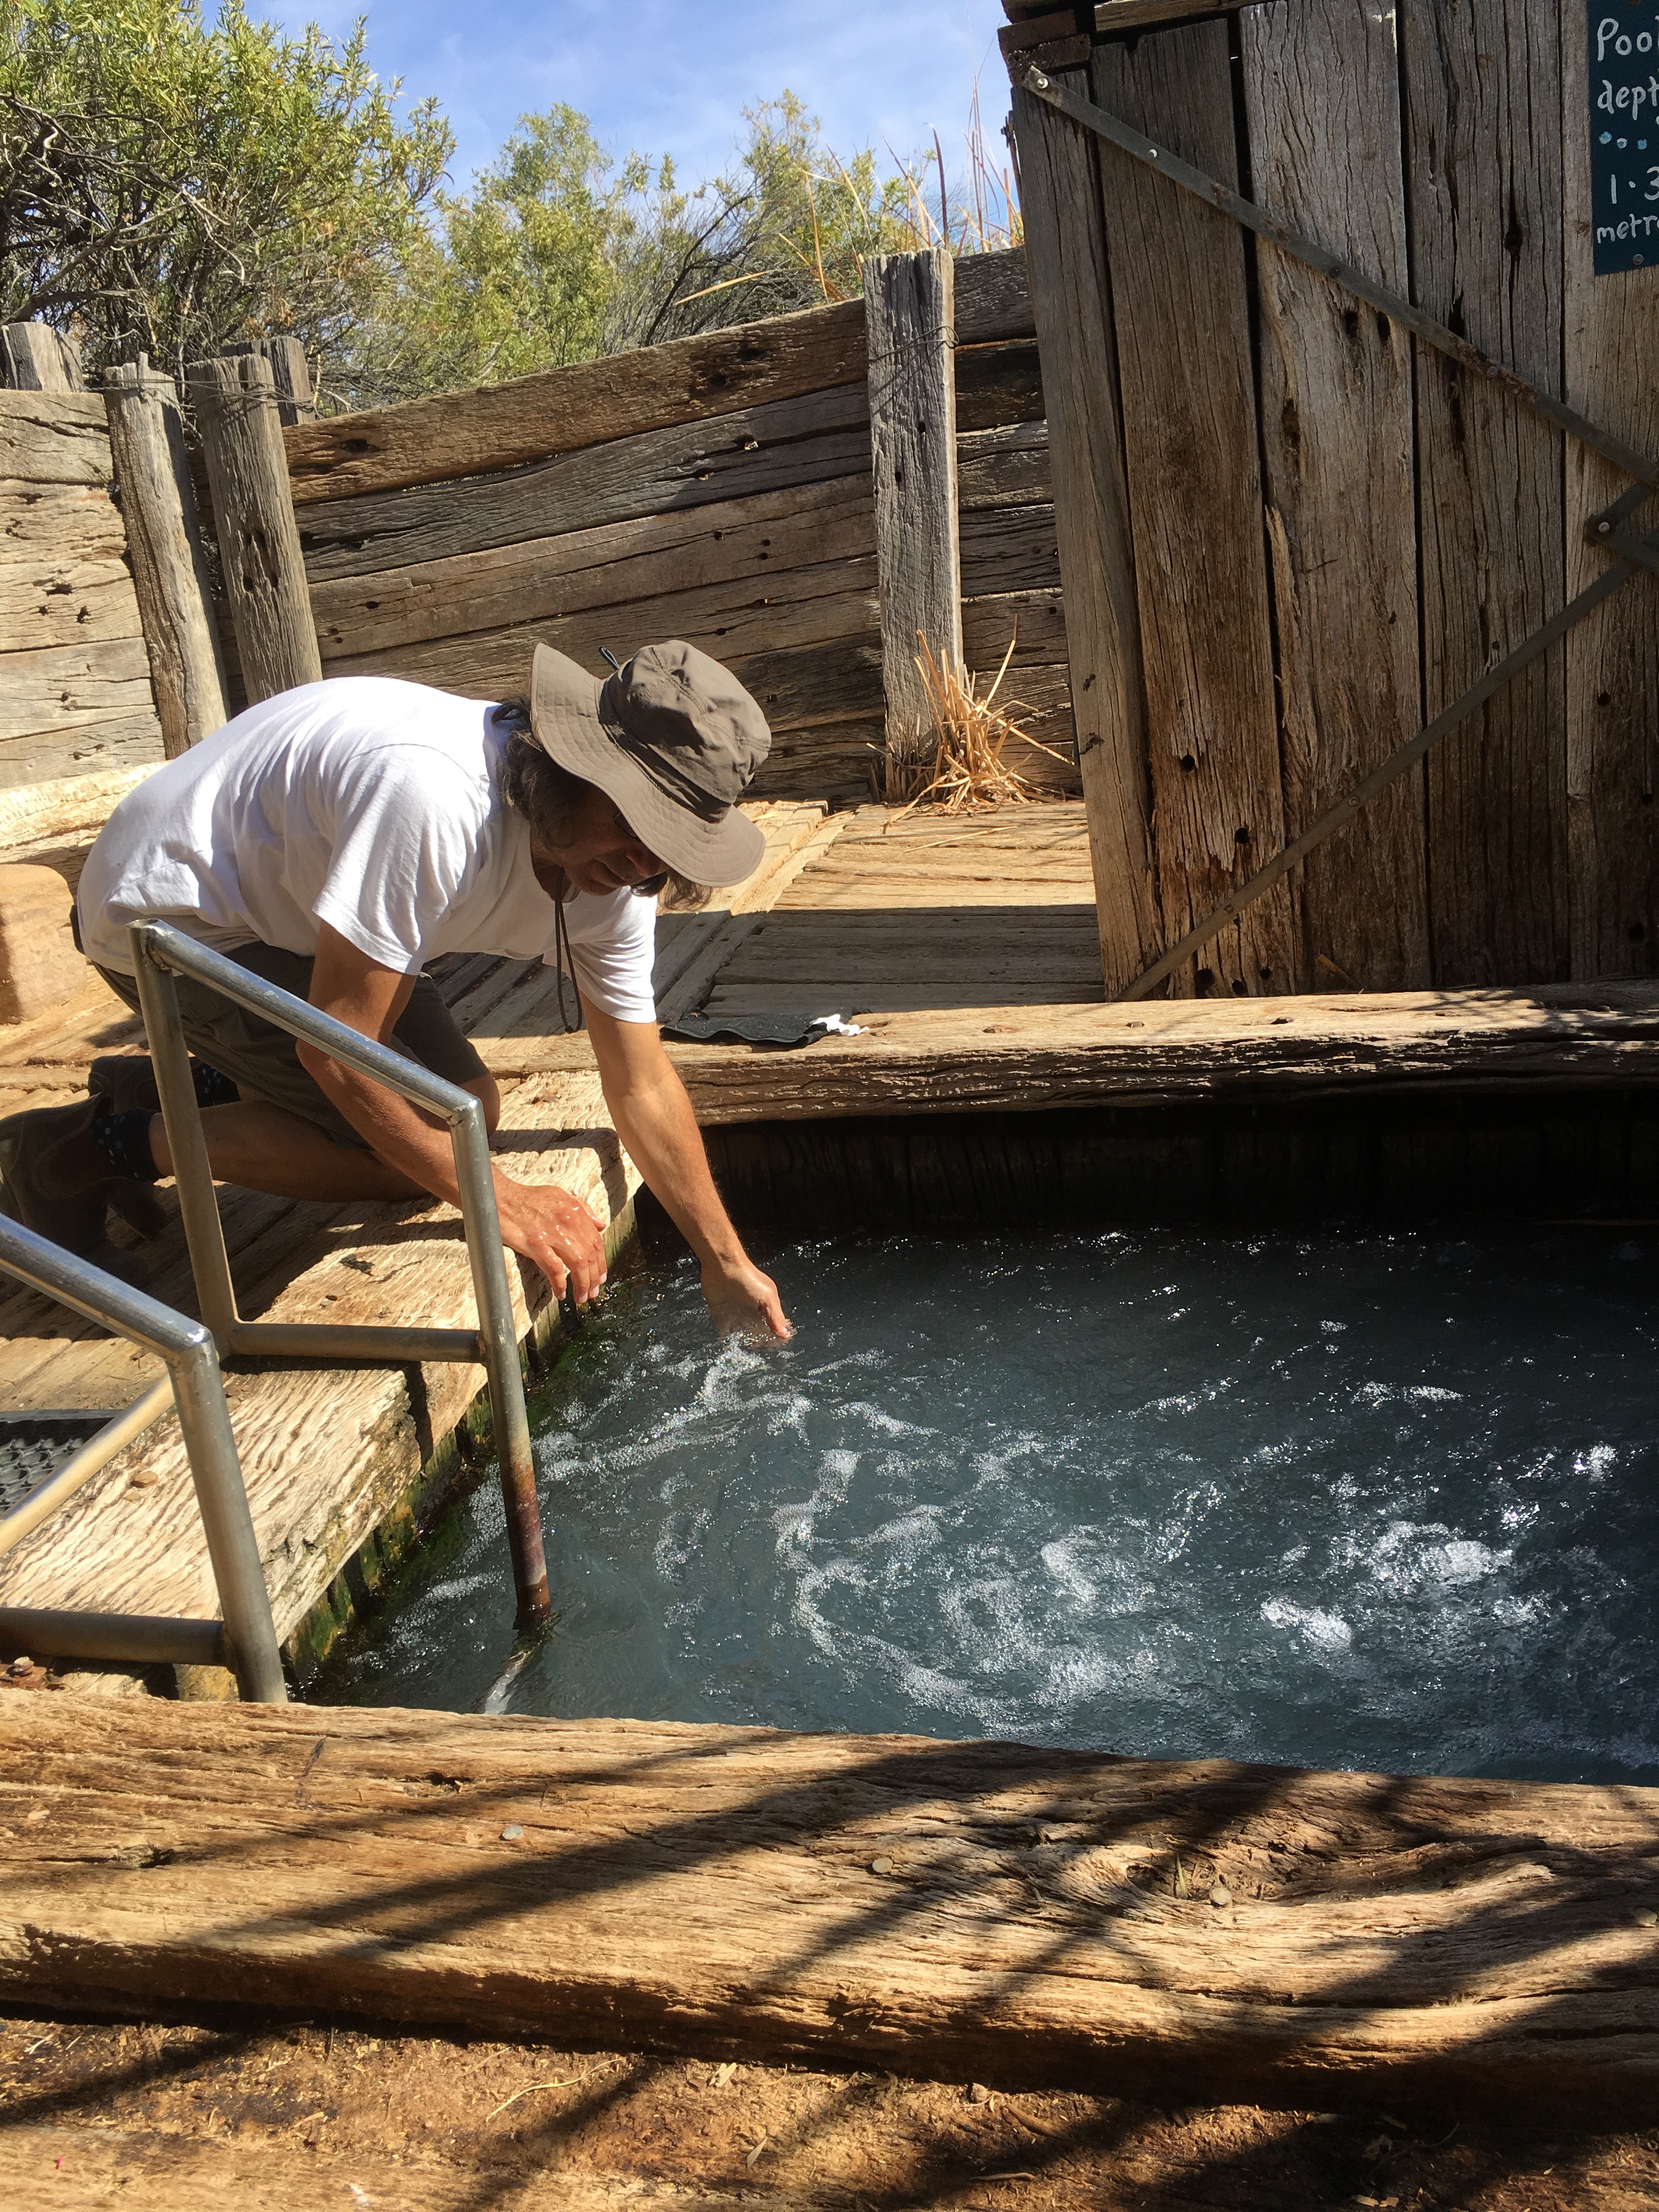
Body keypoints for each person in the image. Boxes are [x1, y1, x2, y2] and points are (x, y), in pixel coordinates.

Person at [0, 639, 791, 1341]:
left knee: (470, 1109)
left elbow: (642, 1082)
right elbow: (337, 1051)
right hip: (168, 913)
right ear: (571, 764)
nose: (643, 863)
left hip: (299, 915)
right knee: (405, 1155)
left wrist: (725, 1261)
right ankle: (73, 1156)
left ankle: (160, 1088)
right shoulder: (434, 799)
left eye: (668, 844)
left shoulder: (620, 880)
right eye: (633, 821)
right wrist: (499, 1199)